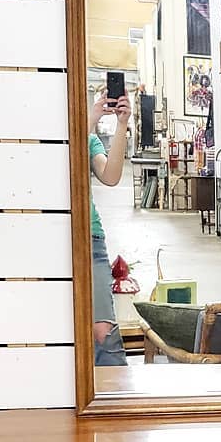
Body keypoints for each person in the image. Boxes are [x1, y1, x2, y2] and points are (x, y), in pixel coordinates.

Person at [89, 88, 131, 366]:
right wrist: (88, 120)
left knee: (103, 331)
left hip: (90, 240)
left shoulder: (90, 140)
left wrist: (122, 124)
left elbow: (111, 176)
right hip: (49, 239)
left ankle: (120, 402)